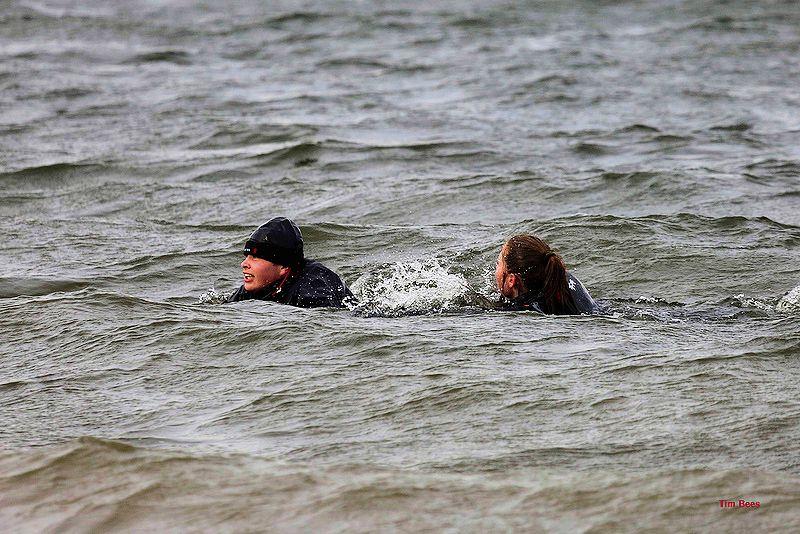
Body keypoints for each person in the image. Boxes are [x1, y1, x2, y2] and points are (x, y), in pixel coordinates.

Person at [226, 217, 353, 308]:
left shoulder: (312, 291)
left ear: (284, 267)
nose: (244, 264)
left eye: (255, 258)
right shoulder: (252, 288)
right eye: (247, 256)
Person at [494, 234, 598, 315]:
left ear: (511, 280)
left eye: (498, 263)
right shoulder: (562, 278)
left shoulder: (522, 312)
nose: (495, 269)